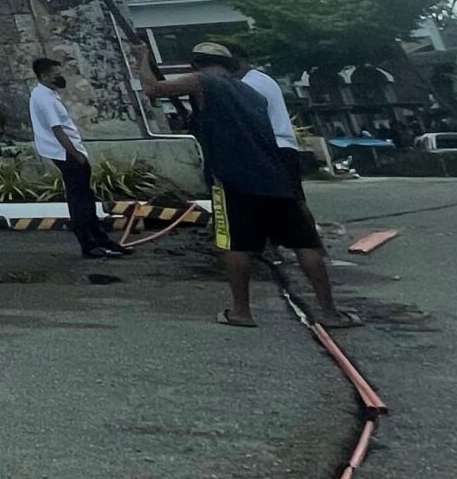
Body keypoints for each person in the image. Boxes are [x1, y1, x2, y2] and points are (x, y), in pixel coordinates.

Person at [137, 46, 357, 329]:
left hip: (233, 180)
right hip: (276, 179)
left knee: (235, 245)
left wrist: (141, 58)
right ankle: (330, 312)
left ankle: (241, 311)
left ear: (198, 65)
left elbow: (153, 89)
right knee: (305, 243)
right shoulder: (251, 95)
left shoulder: (203, 82)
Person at [28, 56, 126, 260]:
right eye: (56, 75)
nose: (60, 78)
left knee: (85, 199)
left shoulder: (43, 94)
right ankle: (90, 245)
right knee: (81, 202)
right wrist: (76, 155)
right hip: (66, 154)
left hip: (65, 152)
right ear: (45, 76)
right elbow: (58, 130)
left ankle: (102, 241)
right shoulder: (45, 99)